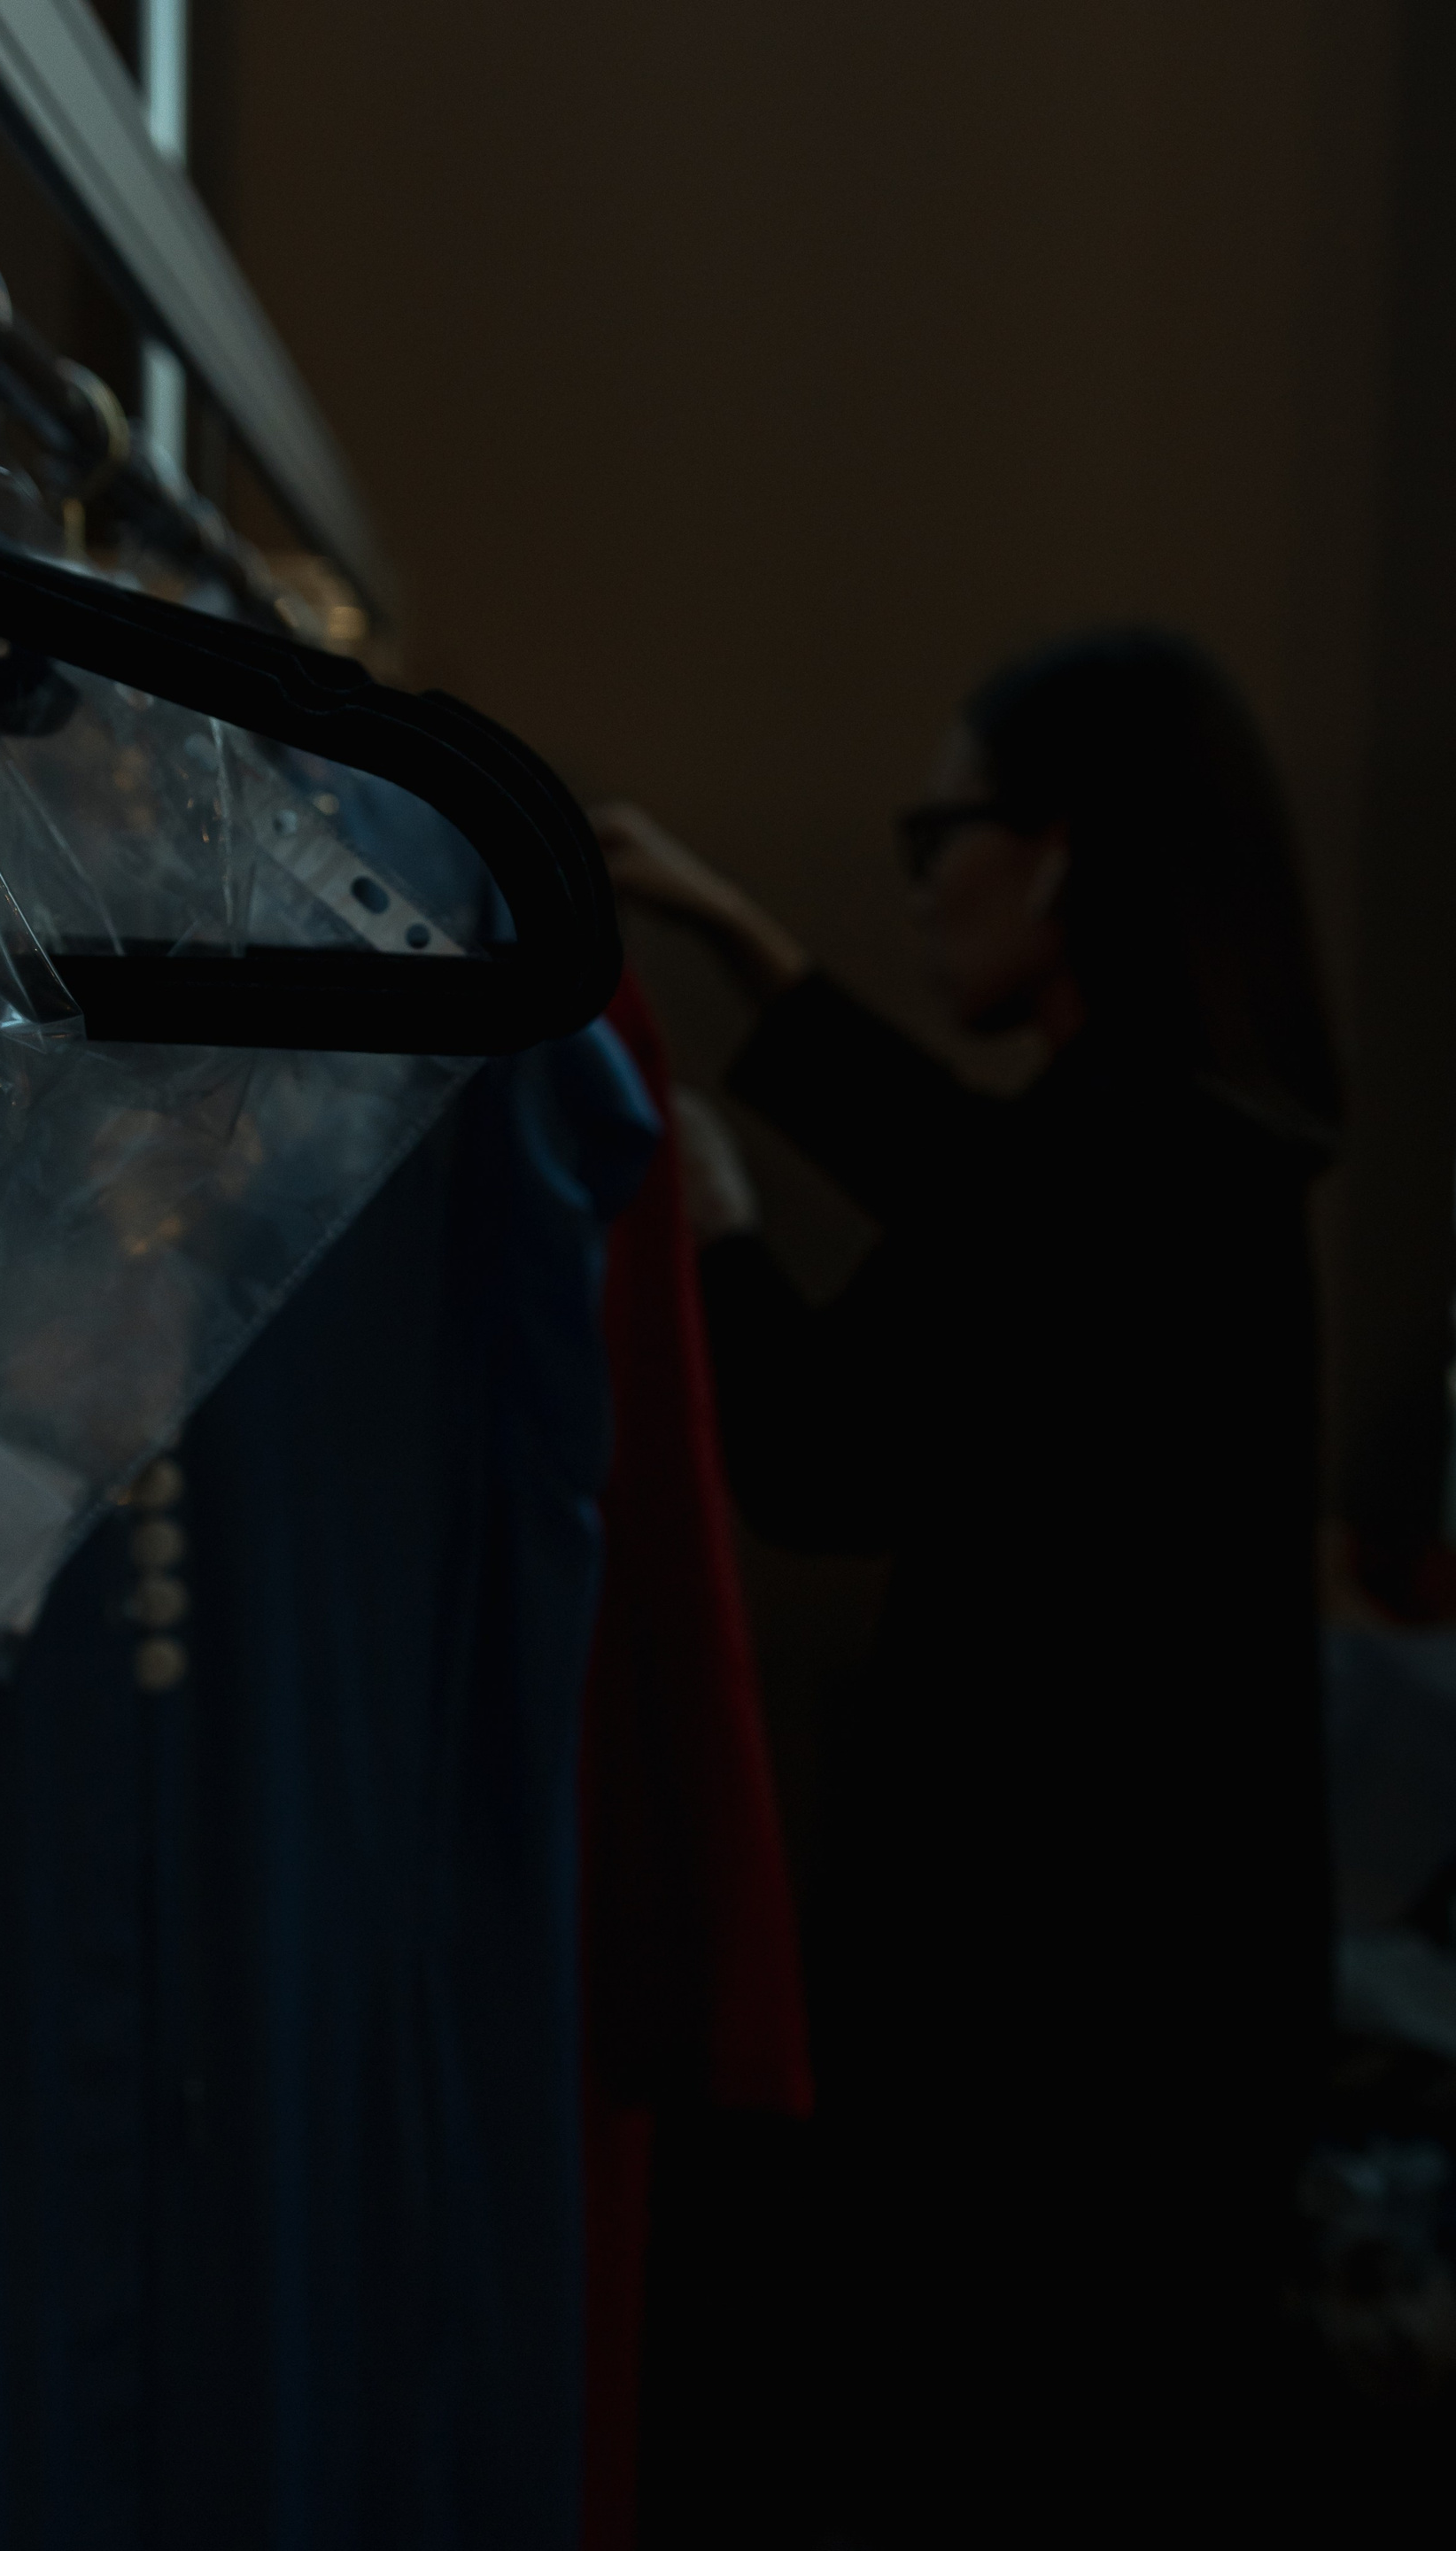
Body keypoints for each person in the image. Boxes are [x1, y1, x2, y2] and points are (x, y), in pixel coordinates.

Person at [593, 629, 1340, 2524]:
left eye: (943, 832)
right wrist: (738, 939)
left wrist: (714, 1223)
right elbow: (982, 1195)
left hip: (1051, 2021)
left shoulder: (1114, 1162)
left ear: (1061, 851)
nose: (924, 880)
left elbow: (824, 1453)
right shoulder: (1203, 1137)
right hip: (1166, 2004)